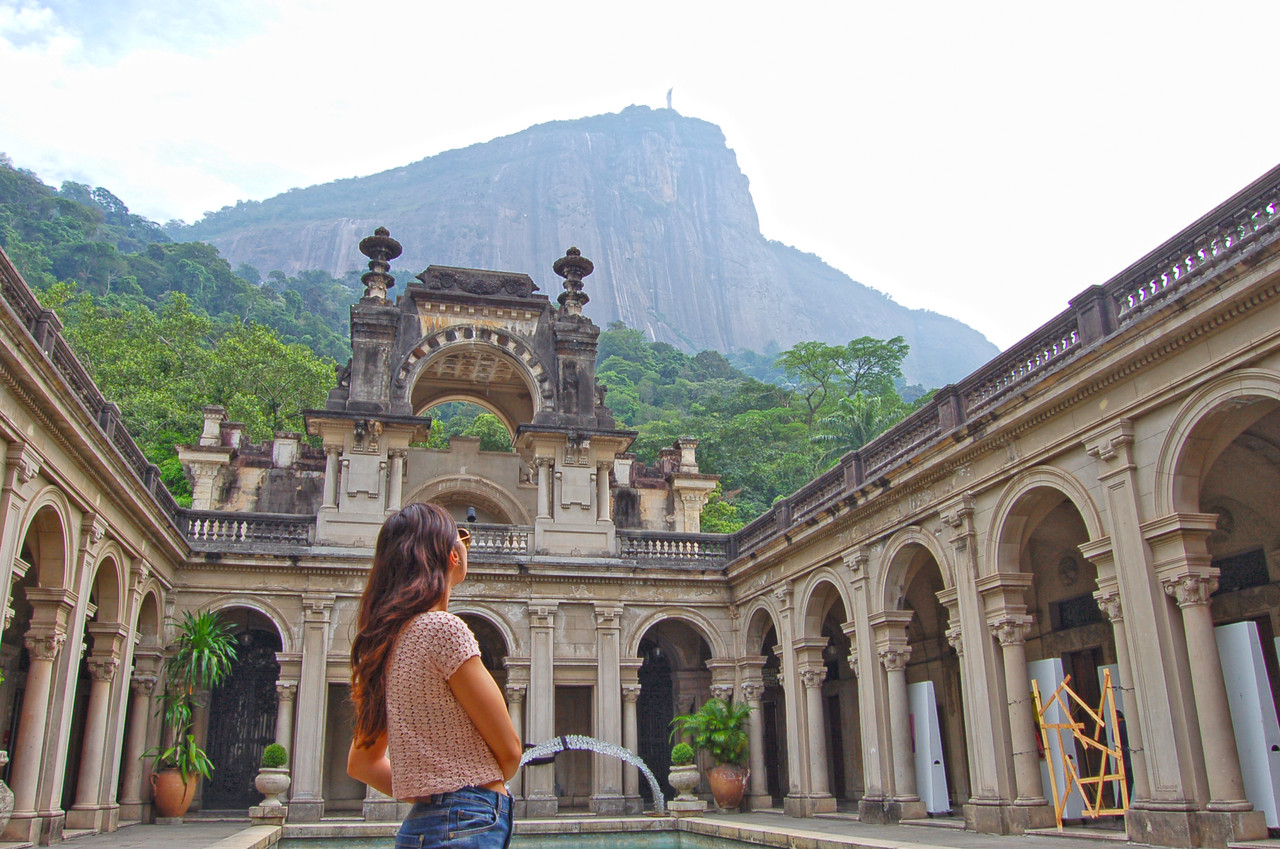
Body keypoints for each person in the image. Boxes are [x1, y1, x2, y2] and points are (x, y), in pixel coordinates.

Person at [348, 502, 522, 848]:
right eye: (460, 536)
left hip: (422, 827)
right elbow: (510, 752)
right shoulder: (443, 630)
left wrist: (430, 790)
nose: (465, 543)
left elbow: (362, 764)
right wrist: (457, 786)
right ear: (451, 556)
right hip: (469, 819)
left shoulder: (385, 642)